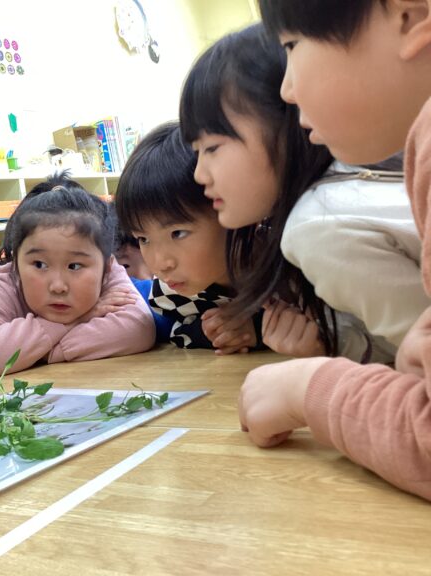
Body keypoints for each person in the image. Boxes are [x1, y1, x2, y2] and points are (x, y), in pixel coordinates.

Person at [238, 0, 431, 501]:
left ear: (411, 17)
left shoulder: (316, 222)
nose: (287, 88)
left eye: (292, 46)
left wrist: (310, 389)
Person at [179, 22, 416, 364]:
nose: (200, 174)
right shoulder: (347, 185)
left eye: (213, 147)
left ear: (289, 123)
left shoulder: (318, 225)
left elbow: (420, 361)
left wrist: (312, 390)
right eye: (196, 151)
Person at [0, 172, 155, 376]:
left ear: (107, 266)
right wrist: (79, 319)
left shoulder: (108, 270)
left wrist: (47, 353)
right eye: (39, 264)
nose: (58, 286)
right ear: (16, 263)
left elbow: (139, 328)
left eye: (74, 266)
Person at [115, 121, 263, 353]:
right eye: (143, 239)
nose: (160, 264)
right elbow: (174, 328)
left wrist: (260, 329)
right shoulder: (171, 292)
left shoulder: (284, 271)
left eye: (178, 233)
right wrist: (214, 332)